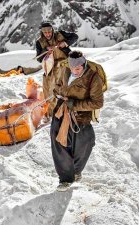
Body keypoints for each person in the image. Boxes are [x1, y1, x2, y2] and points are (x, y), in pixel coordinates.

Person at [51, 51, 104, 191]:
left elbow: (97, 102)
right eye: (72, 67)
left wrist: (75, 104)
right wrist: (57, 93)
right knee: (59, 143)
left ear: (84, 63)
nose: (75, 71)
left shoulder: (93, 78)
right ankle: (65, 179)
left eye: (78, 68)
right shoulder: (65, 70)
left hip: (80, 117)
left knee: (85, 142)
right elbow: (58, 85)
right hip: (61, 112)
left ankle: (76, 171)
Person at [35, 21, 78, 120]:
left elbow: (75, 36)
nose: (48, 34)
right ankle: (49, 113)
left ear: (52, 30)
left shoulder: (60, 34)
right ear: (42, 33)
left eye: (49, 32)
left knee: (63, 87)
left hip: (64, 64)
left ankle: (67, 110)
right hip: (50, 66)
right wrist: (45, 50)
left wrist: (66, 43)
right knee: (48, 88)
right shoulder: (39, 42)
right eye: (45, 33)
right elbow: (38, 58)